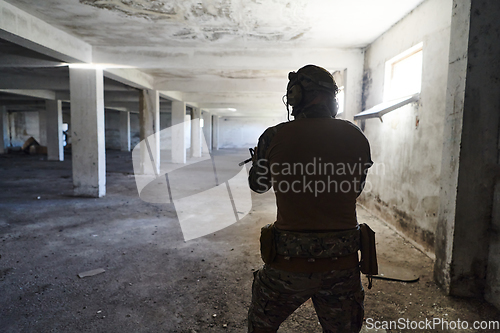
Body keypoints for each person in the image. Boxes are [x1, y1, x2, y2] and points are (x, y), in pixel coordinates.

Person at [247, 64, 373, 333]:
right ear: (332, 99)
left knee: (260, 325)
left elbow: (258, 186)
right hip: (343, 265)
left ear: (296, 96)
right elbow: (356, 188)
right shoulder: (355, 135)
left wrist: (261, 158)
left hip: (288, 266)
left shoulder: (274, 135)